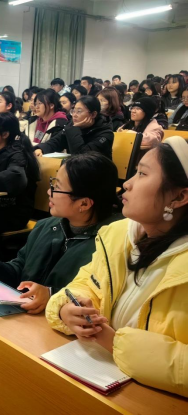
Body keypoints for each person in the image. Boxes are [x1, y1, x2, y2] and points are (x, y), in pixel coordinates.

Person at [46, 137, 188, 399]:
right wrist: (67, 309)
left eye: (142, 174)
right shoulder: (118, 235)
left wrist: (114, 342)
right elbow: (84, 283)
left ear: (179, 196)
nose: (127, 184)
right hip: (96, 375)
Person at [0, 152, 120, 314]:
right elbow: (21, 270)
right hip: (23, 315)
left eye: (57, 188)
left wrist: (51, 295)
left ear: (84, 203)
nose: (49, 192)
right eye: (53, 184)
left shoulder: (110, 245)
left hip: (57, 324)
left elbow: (95, 300)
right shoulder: (46, 226)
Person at [35, 96, 114, 159]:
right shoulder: (73, 125)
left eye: (79, 111)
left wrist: (74, 129)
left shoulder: (105, 134)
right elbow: (56, 141)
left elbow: (81, 157)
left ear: (93, 114)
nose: (74, 115)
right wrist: (41, 149)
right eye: (73, 111)